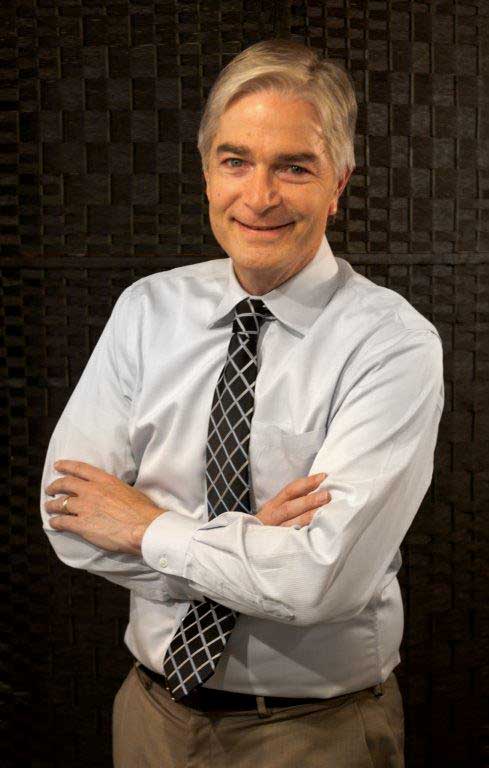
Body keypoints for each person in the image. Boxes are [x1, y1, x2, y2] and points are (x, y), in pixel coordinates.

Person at [40, 39, 444, 768]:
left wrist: (147, 526)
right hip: (149, 719)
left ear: (339, 182)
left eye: (293, 167)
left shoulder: (392, 343)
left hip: (316, 735)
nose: (258, 197)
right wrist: (253, 544)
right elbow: (69, 518)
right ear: (205, 172)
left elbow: (319, 582)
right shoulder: (146, 310)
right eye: (236, 161)